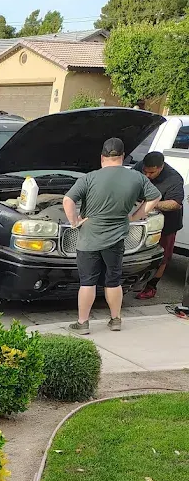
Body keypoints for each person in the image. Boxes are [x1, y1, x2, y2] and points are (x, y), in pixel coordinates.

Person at [63, 137, 161, 334]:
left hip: (89, 239)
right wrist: (136, 216)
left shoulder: (89, 178)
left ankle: (83, 323)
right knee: (113, 280)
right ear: (123, 157)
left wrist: (74, 222)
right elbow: (155, 196)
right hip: (116, 240)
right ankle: (115, 320)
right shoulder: (137, 178)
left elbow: (67, 200)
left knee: (88, 282)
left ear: (102, 157)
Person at [133, 150, 184, 299]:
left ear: (160, 168)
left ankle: (151, 286)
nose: (147, 176)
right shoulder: (139, 167)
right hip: (140, 219)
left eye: (152, 173)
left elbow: (175, 203)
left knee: (163, 256)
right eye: (145, 172)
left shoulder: (173, 178)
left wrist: (151, 205)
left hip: (166, 223)